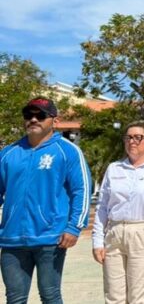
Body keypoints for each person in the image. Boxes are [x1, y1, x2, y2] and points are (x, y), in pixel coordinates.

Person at [0, 97, 91, 304]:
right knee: (14, 298)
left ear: (54, 121)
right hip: (12, 239)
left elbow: (82, 190)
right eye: (28, 115)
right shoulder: (8, 154)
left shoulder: (67, 151)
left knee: (50, 296)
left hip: (51, 238)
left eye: (40, 115)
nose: (33, 119)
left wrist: (74, 227)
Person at [92, 121, 144, 304]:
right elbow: (103, 206)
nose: (133, 141)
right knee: (113, 297)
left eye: (138, 137)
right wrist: (97, 240)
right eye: (128, 137)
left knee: (139, 297)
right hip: (114, 233)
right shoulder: (114, 169)